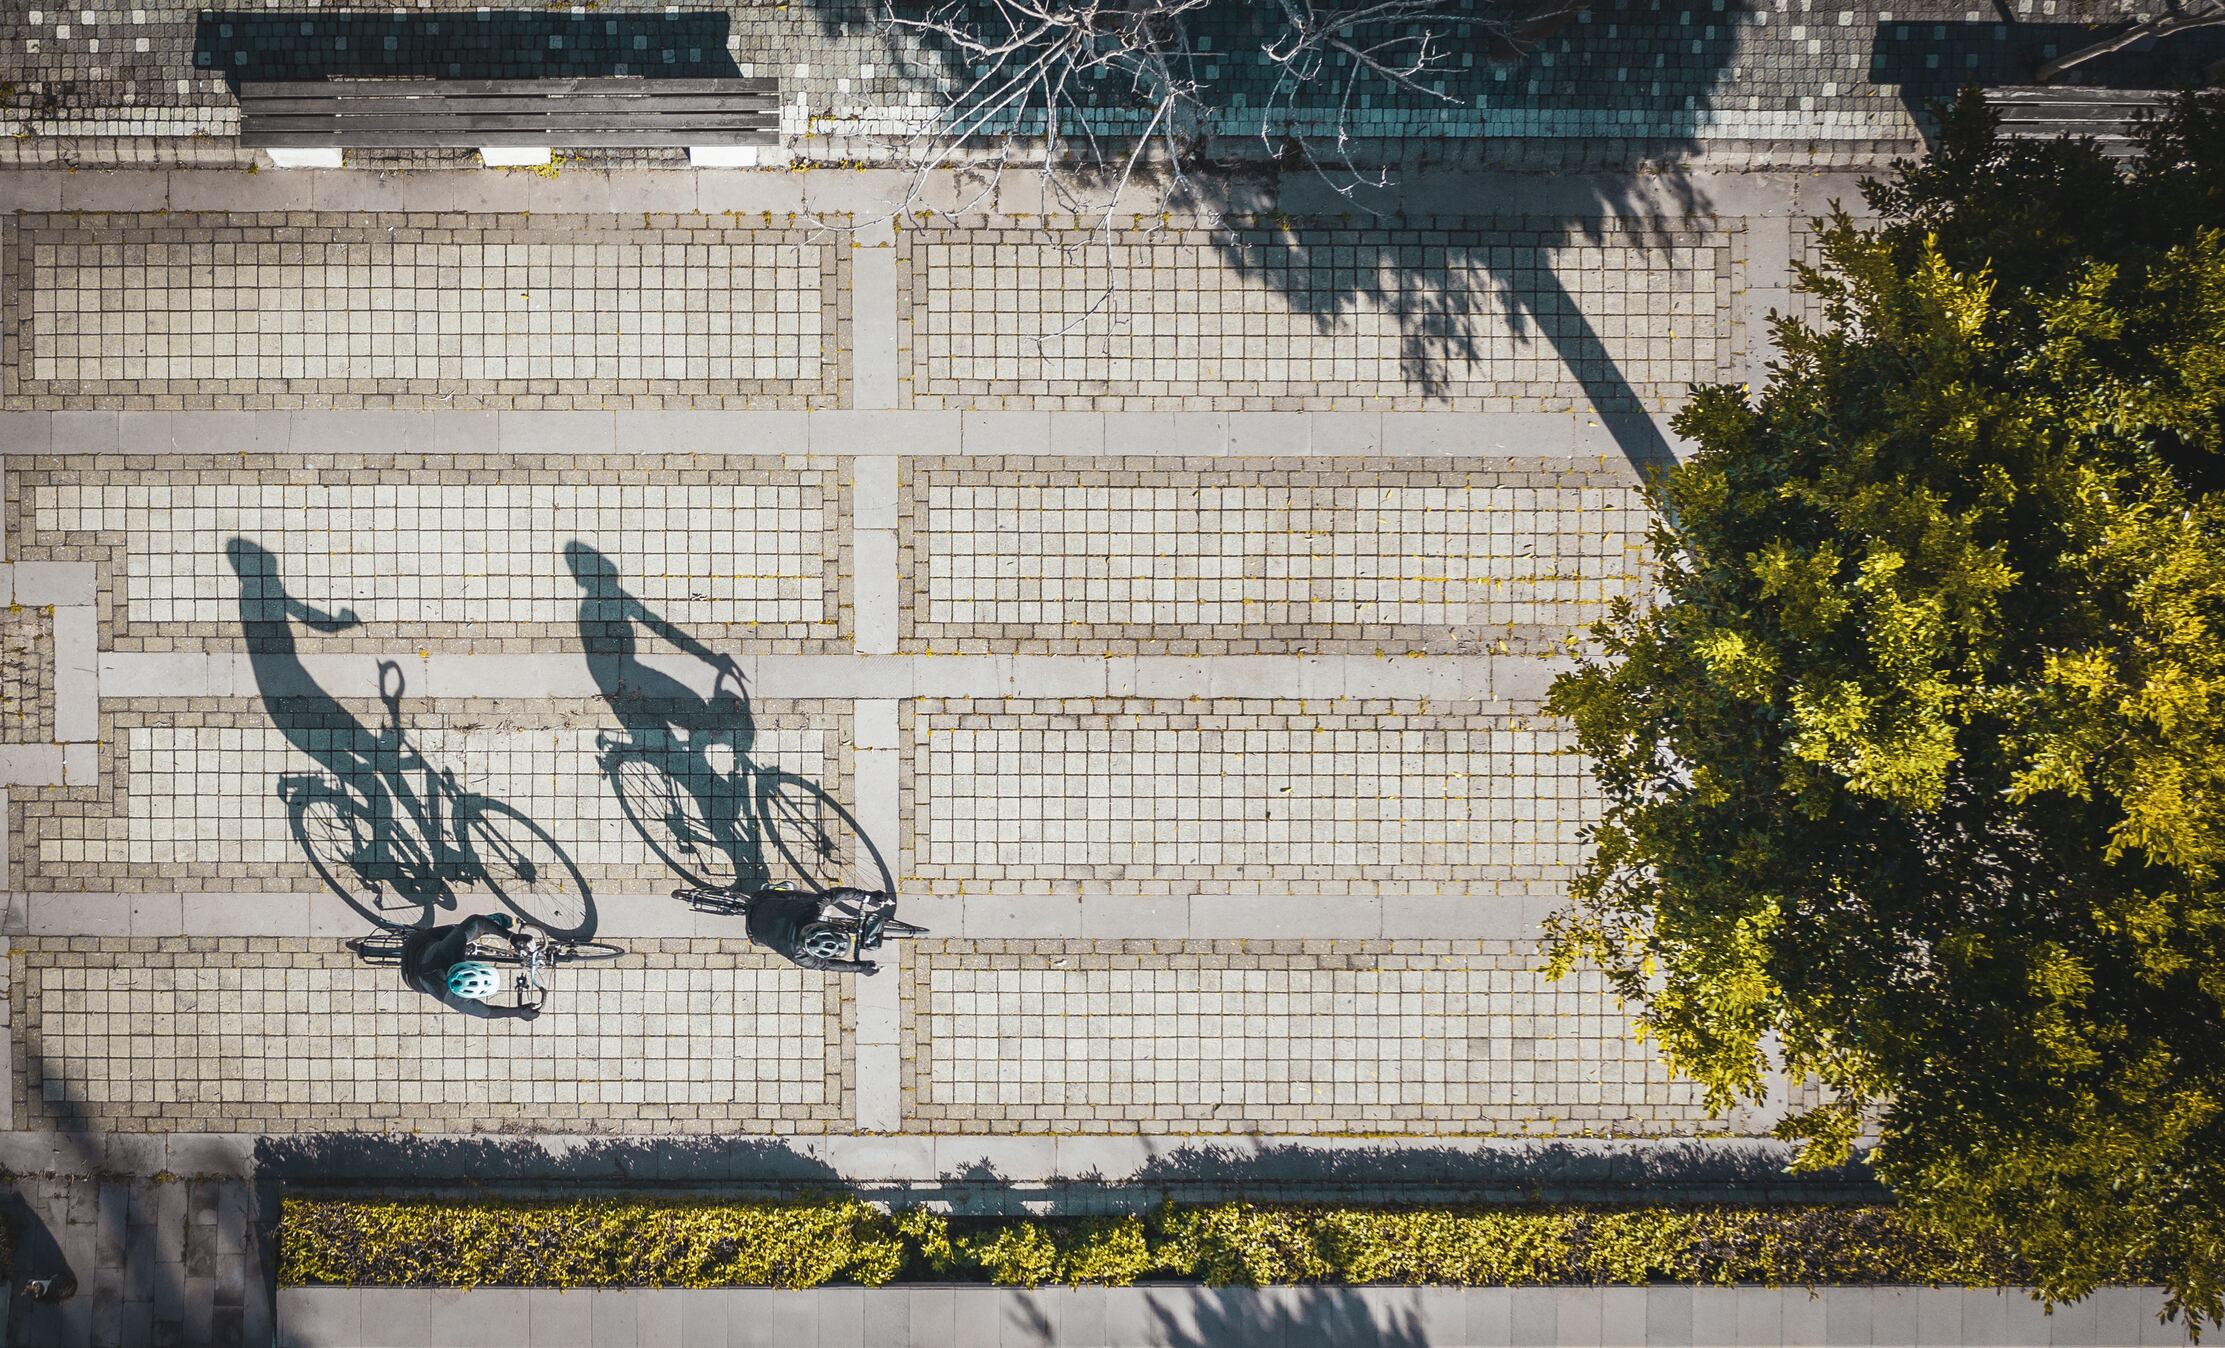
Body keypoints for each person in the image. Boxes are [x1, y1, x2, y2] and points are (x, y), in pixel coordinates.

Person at [400, 912, 542, 1019]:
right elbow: (486, 1012)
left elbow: (487, 1012)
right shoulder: (451, 995)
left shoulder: (450, 952)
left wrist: (511, 937)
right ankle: (490, 925)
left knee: (469, 929)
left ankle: (494, 922)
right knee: (464, 932)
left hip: (417, 943)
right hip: (411, 976)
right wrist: (517, 1012)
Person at [745, 887, 892, 975]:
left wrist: (863, 968)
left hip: (760, 899)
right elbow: (834, 895)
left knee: (809, 899)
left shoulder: (810, 910)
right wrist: (866, 896)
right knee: (811, 898)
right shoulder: (799, 956)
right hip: (753, 932)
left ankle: (781, 889)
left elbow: (827, 965)